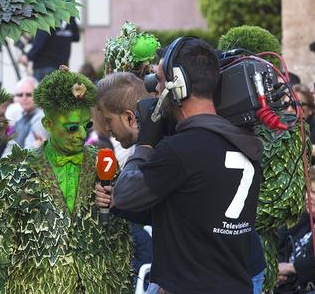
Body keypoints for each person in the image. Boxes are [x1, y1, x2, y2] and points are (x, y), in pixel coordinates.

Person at [110, 38, 264, 293]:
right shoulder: (247, 143)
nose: (154, 89)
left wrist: (146, 143)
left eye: (159, 80)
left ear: (178, 85)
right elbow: (190, 208)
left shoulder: (179, 151)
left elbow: (125, 193)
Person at [0, 66, 133, 293]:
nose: (82, 136)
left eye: (87, 126)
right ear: (48, 125)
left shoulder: (104, 163)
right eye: (72, 128)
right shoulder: (18, 170)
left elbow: (120, 239)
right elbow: (0, 247)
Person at [275, 170, 315, 294]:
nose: (308, 197)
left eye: (314, 192)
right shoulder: (300, 219)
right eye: (307, 191)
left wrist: (292, 268)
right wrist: (275, 269)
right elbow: (278, 243)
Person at [5, 76, 48, 152]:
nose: (24, 98)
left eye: (28, 94)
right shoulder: (20, 115)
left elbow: (30, 152)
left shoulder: (41, 118)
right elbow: (9, 147)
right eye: (20, 95)